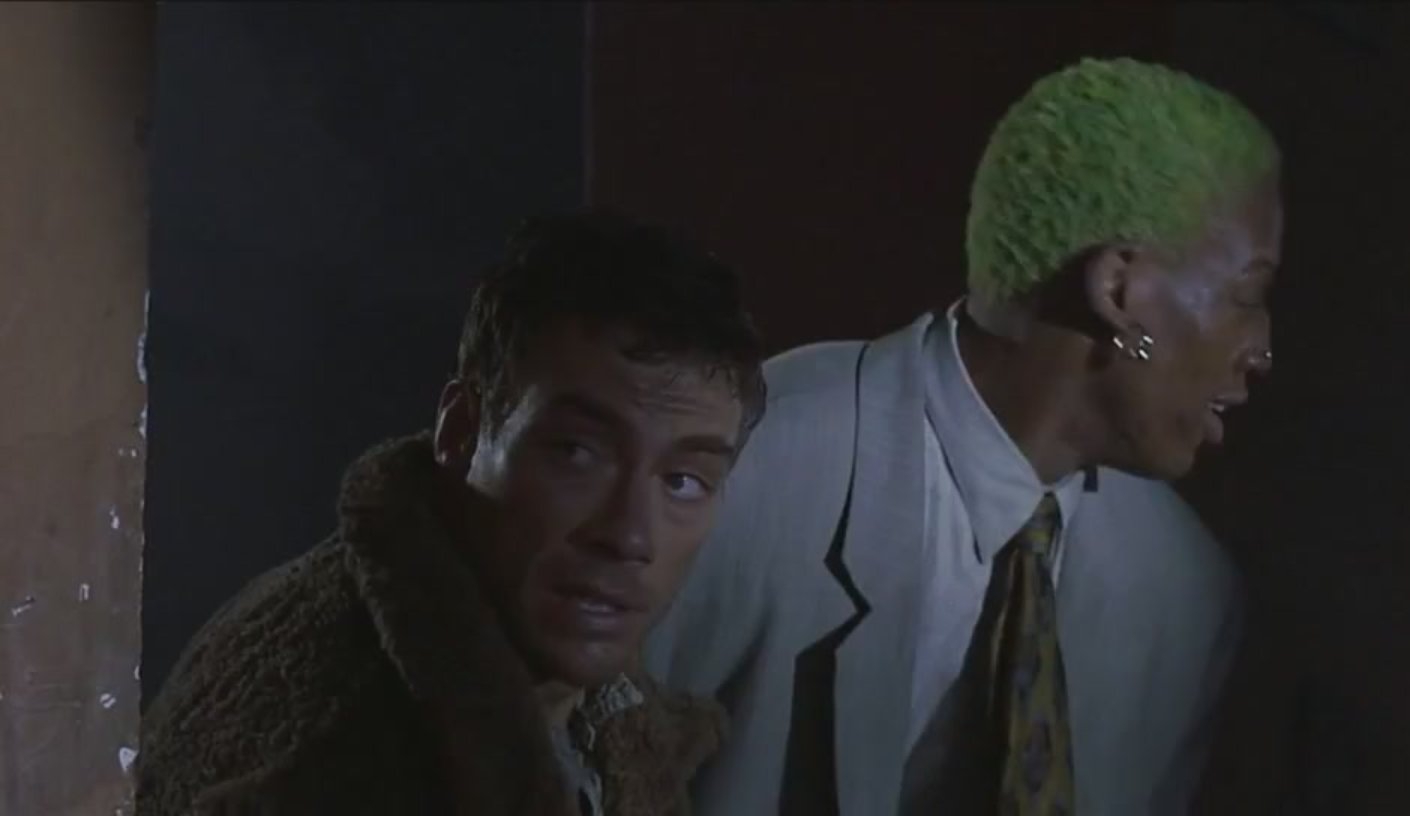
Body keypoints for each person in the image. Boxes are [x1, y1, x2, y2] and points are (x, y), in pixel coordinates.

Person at [643, 57, 1281, 814]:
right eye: (1248, 295)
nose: (1263, 351)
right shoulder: (756, 464)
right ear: (1118, 289)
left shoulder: (1183, 594)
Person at [137, 213, 767, 816]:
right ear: (462, 431)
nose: (629, 534)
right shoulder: (333, 753)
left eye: (683, 481)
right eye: (578, 453)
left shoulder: (604, 714)